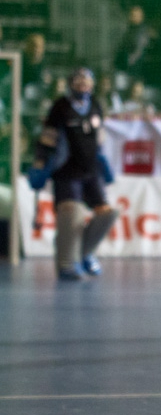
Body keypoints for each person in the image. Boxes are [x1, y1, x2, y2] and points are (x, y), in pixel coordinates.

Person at [28, 68, 119, 280]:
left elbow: (100, 139)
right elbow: (48, 139)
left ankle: (84, 253)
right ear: (71, 83)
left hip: (91, 169)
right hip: (67, 171)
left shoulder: (96, 105)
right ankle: (67, 264)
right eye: (78, 81)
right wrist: (41, 164)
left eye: (87, 81)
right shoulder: (60, 107)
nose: (83, 85)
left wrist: (104, 167)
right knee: (72, 215)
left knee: (107, 213)